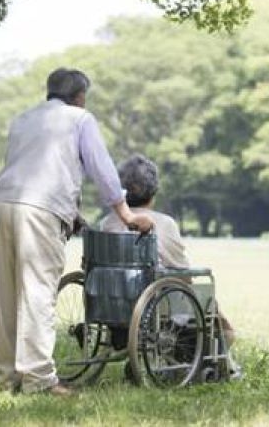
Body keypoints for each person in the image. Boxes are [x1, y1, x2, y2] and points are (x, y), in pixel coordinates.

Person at [0, 68, 153, 396]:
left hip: (2, 205)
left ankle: (7, 379)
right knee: (37, 291)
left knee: (5, 295)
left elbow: (31, 169)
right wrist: (126, 214)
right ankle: (39, 380)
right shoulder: (80, 119)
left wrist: (72, 213)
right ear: (80, 97)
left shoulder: (23, 119)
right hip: (40, 212)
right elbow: (101, 169)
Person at [101, 154, 242, 378]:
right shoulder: (164, 223)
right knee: (216, 314)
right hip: (158, 306)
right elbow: (182, 273)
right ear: (153, 191)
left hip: (112, 303)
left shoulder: (107, 223)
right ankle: (221, 364)